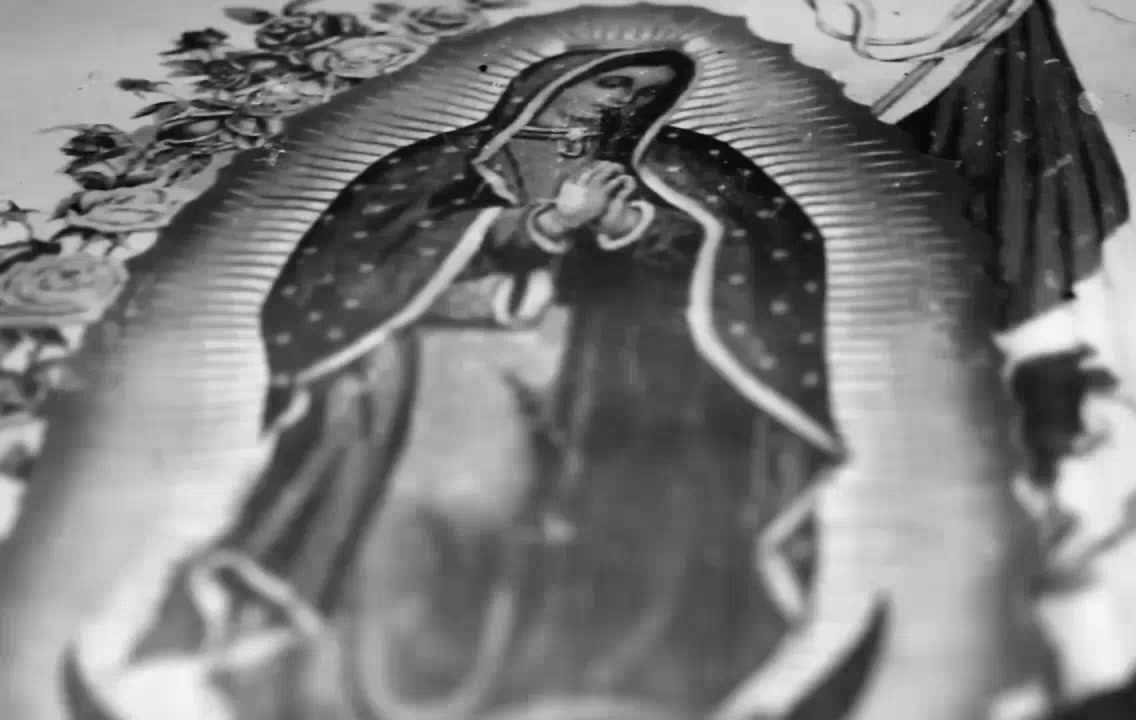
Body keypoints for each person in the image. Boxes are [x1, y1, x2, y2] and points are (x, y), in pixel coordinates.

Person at [77, 47, 870, 720]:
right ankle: (375, 689)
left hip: (606, 376)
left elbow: (754, 263)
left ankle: (580, 679)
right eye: (615, 82)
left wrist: (630, 228)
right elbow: (348, 271)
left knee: (593, 528)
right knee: (438, 523)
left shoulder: (682, 168)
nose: (628, 101)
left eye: (647, 94)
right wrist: (539, 224)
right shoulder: (436, 166)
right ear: (551, 85)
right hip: (441, 372)